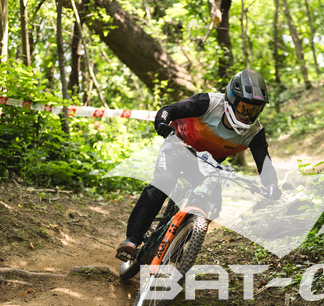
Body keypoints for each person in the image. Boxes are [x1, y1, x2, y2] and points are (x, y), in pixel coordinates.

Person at [116, 69, 282, 261]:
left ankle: (176, 244)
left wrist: (271, 185)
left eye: (253, 110)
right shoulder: (208, 103)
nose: (247, 114)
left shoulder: (255, 132)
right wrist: (162, 123)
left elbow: (264, 162)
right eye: (243, 107)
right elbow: (170, 110)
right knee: (163, 183)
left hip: (207, 164)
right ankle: (133, 239)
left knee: (213, 207)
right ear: (231, 100)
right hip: (178, 147)